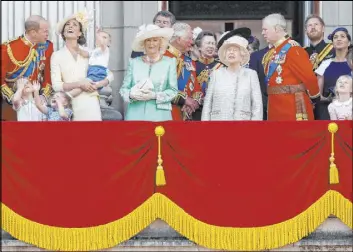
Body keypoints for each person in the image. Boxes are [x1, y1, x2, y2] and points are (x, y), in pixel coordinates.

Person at [51, 9, 111, 121]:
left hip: (90, 102)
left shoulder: (90, 52)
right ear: (63, 32)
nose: (70, 27)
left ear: (79, 33)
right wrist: (80, 84)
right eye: (67, 25)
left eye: (74, 25)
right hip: (68, 105)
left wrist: (97, 84)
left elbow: (109, 75)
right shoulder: (56, 55)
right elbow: (57, 85)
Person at [261, 13, 320, 121]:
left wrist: (314, 97)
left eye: (265, 30)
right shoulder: (272, 52)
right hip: (274, 106)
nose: (263, 33)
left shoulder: (293, 49)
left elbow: (309, 77)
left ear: (277, 29)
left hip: (292, 107)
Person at [119, 24, 178, 121]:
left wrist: (155, 95)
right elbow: (123, 89)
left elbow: (173, 91)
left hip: (160, 116)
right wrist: (130, 94)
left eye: (155, 40)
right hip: (135, 116)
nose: (151, 44)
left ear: (161, 43)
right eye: (148, 40)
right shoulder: (134, 62)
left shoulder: (169, 62)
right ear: (143, 43)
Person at [1, 15, 53, 121]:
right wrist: (12, 97)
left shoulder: (48, 46)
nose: (48, 34)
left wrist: (43, 96)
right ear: (33, 32)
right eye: (45, 31)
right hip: (13, 105)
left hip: (37, 102)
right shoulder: (8, 48)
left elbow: (48, 77)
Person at [201, 35, 263, 121]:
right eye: (229, 50)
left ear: (242, 55)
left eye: (235, 50)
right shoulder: (216, 74)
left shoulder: (251, 75)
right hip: (218, 125)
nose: (231, 52)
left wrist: (254, 128)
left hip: (243, 126)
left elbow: (257, 106)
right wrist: (205, 126)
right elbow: (207, 104)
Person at [164, 22, 203, 121]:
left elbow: (196, 88)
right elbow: (160, 87)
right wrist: (184, 100)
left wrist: (194, 103)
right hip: (167, 114)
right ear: (178, 39)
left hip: (186, 115)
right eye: (189, 38)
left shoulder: (189, 61)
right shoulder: (162, 57)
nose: (191, 42)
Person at [314, 27, 352, 120]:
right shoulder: (325, 64)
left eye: (342, 36)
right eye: (335, 37)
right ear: (332, 43)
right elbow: (319, 94)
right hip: (328, 108)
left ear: (349, 42)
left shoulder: (351, 63)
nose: (338, 39)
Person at [68, 28, 113, 98]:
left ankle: (70, 95)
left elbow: (102, 43)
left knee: (84, 83)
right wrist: (78, 49)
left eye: (105, 37)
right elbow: (85, 54)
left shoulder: (105, 49)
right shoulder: (95, 51)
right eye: (101, 37)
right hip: (92, 70)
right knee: (88, 84)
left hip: (98, 70)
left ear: (109, 43)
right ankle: (95, 87)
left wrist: (97, 34)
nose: (102, 39)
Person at [193, 31, 223, 120]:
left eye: (213, 43)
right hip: (196, 111)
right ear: (199, 46)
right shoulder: (192, 65)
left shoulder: (222, 66)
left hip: (217, 111)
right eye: (208, 43)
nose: (211, 46)